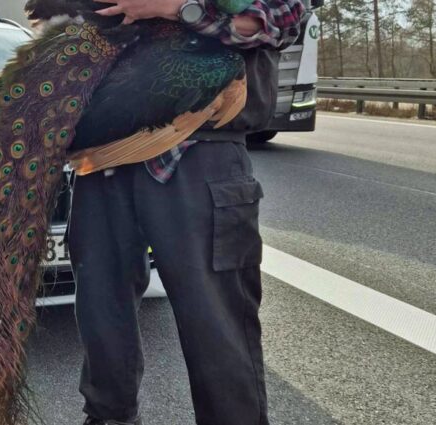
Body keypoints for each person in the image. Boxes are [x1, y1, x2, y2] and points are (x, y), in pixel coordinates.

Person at [67, 0, 307, 424]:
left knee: (214, 320)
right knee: (101, 307)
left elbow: (277, 22)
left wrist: (173, 8)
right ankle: (108, 416)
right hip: (104, 156)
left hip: (201, 153)